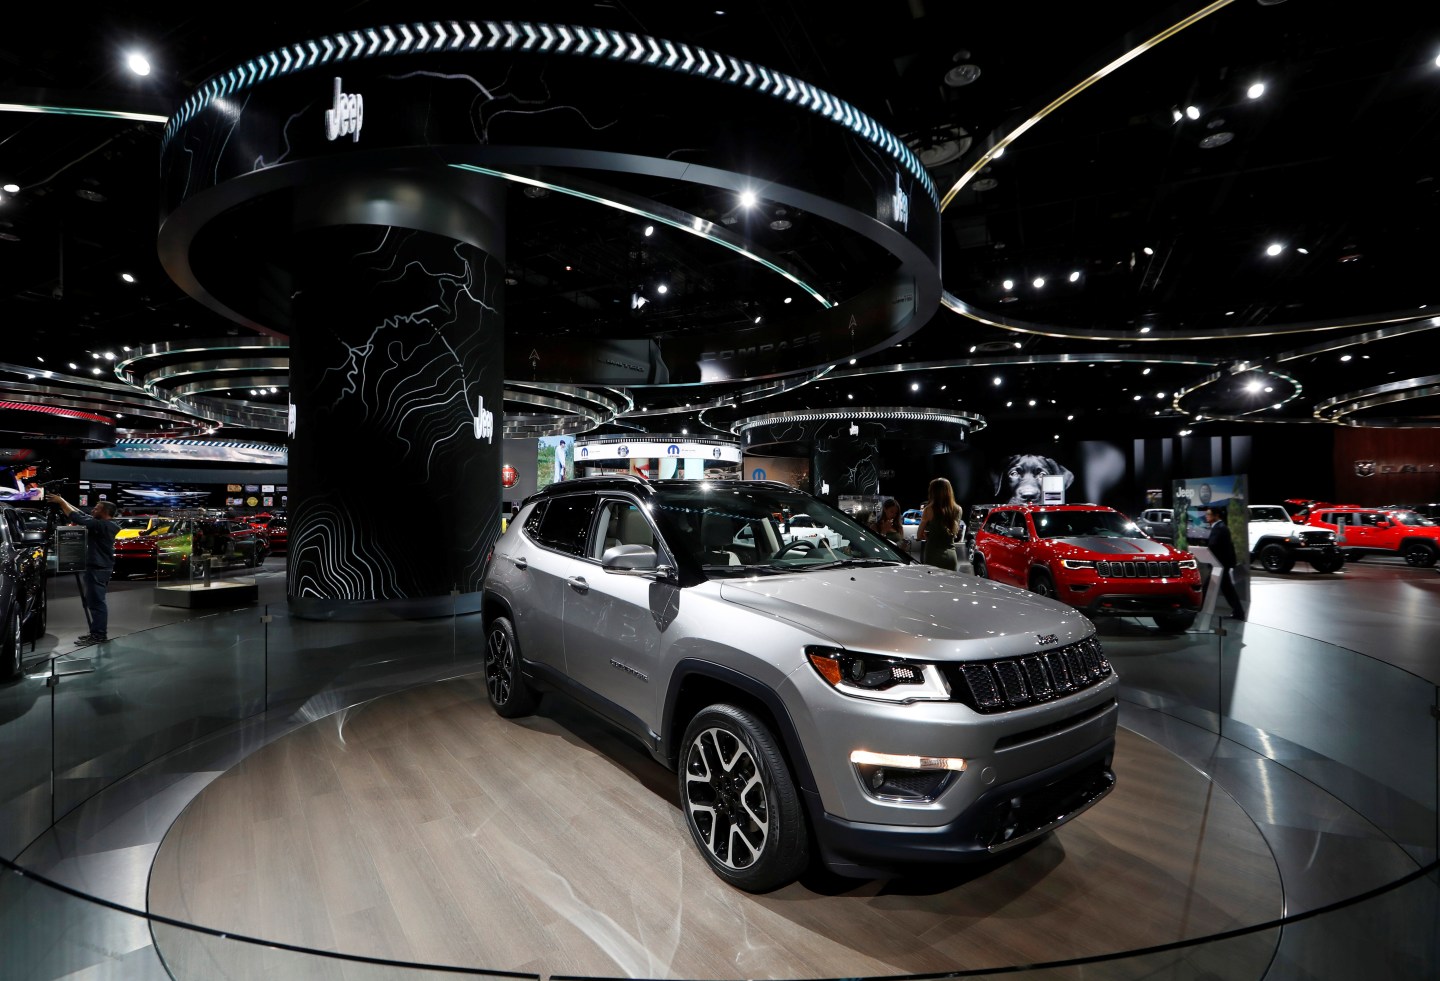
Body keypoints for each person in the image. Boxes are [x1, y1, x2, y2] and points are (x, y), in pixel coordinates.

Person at [47, 494, 120, 646]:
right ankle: (96, 633)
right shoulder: (104, 524)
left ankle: (99, 635)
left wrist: (61, 502)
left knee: (97, 603)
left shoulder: (102, 525)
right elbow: (81, 514)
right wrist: (64, 501)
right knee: (94, 602)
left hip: (98, 569)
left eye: (96, 508)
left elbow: (77, 517)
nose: (93, 510)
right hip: (98, 568)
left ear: (105, 512)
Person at [1202, 505, 1246, 621]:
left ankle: (1198, 610)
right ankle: (1239, 612)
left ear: (1216, 516)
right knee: (1226, 589)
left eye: (1208, 514)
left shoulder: (1219, 528)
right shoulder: (1220, 527)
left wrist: (1206, 550)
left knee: (1212, 588)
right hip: (1220, 564)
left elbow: (1214, 545)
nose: (1206, 516)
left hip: (1219, 564)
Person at [917, 477, 961, 571]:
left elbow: (919, 535)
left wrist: (928, 536)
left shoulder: (929, 509)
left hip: (933, 555)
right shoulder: (958, 509)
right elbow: (953, 533)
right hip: (951, 556)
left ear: (933, 492)